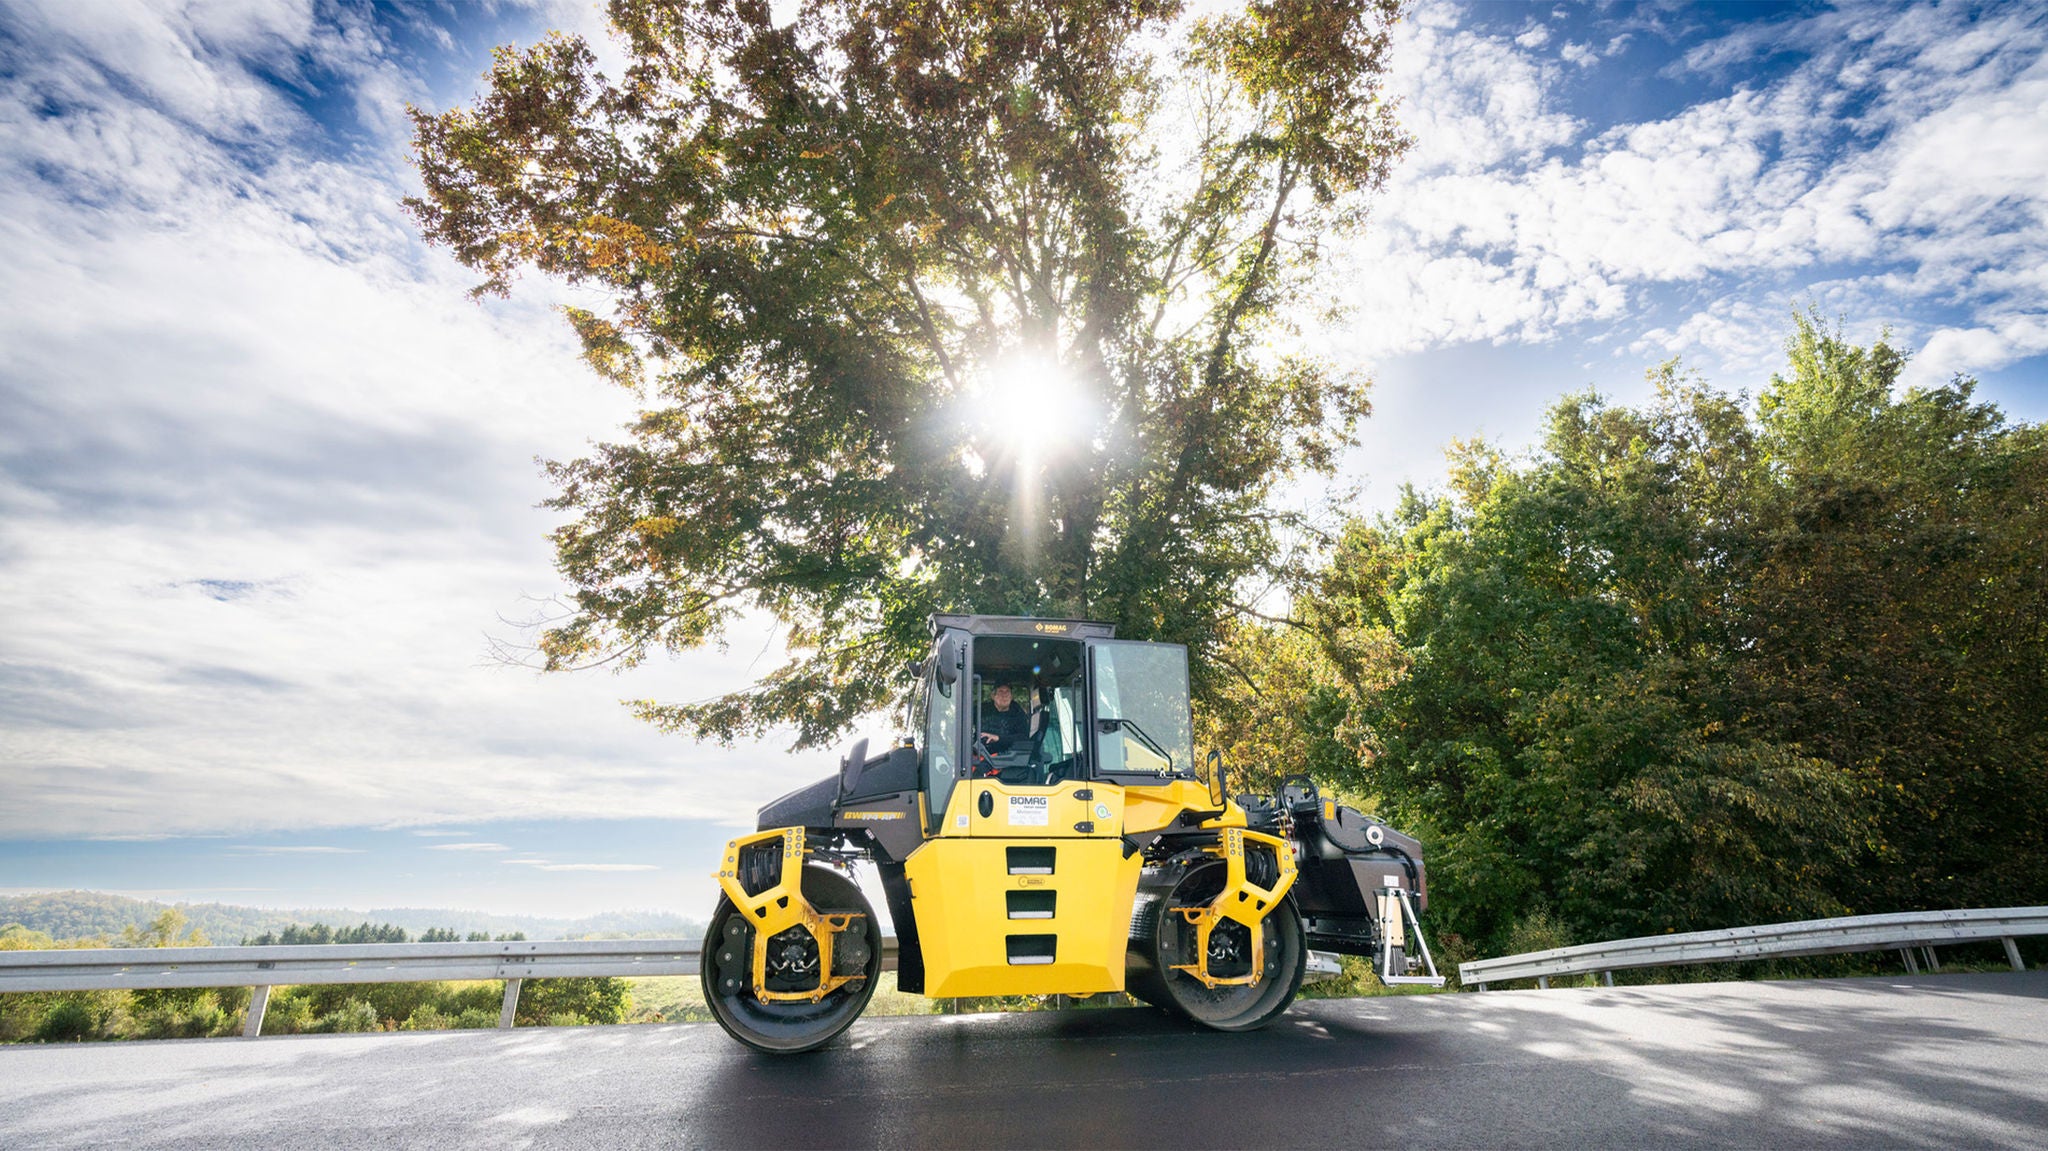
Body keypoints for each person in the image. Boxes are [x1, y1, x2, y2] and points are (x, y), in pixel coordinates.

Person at [978, 682, 1031, 752]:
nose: (1004, 695)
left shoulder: (1017, 712)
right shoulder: (982, 709)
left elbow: (1024, 737)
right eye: (1000, 691)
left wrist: (998, 738)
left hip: (1007, 758)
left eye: (1007, 692)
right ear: (993, 696)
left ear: (1011, 697)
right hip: (979, 755)